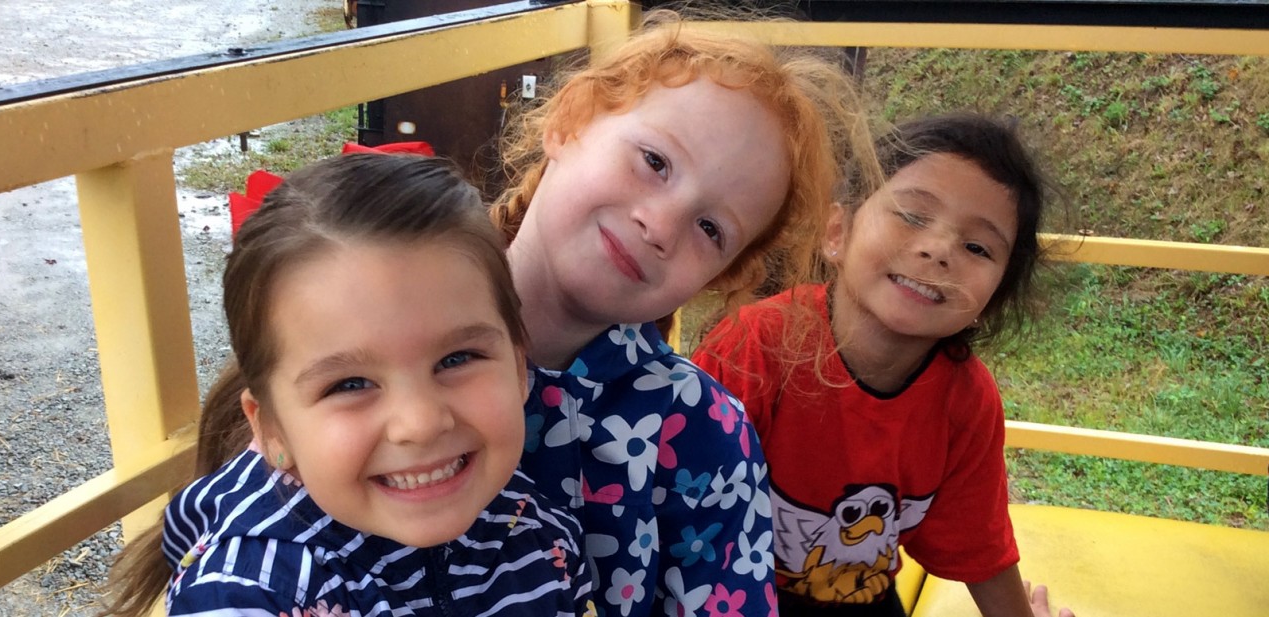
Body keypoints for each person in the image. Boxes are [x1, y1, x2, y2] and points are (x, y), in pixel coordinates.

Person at [491, 10, 880, 616]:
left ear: (717, 276)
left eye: (709, 228)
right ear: (569, 123)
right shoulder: (378, 324)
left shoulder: (701, 437)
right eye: (654, 161)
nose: (662, 225)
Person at [99, 154, 593, 616]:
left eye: (457, 358)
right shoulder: (247, 593)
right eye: (351, 384)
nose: (419, 423)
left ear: (517, 366)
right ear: (272, 429)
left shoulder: (533, 528)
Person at [692, 114, 1074, 617]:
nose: (938, 250)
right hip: (723, 592)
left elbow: (979, 543)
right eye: (913, 216)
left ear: (993, 298)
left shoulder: (965, 401)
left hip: (860, 598)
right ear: (837, 232)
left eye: (977, 247)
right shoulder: (754, 347)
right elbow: (677, 513)